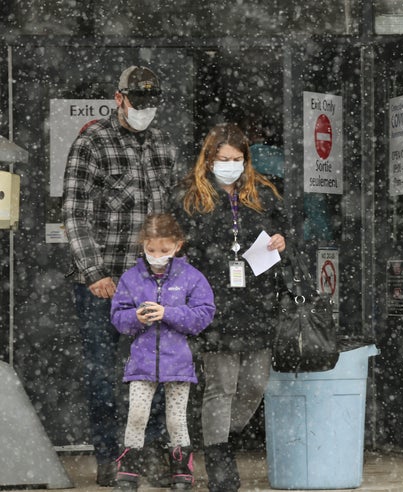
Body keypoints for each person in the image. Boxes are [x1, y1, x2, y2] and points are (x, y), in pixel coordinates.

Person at [62, 65, 177, 486]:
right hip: (105, 283)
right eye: (138, 99)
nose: (145, 109)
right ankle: (109, 455)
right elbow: (74, 212)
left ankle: (153, 455)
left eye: (152, 100)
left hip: (154, 282)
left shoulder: (164, 144)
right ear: (119, 98)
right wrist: (94, 272)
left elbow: (173, 213)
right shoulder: (92, 142)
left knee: (160, 370)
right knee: (104, 373)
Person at [176, 122, 286, 492]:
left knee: (255, 383)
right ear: (209, 159)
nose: (231, 165)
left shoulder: (263, 193)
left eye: (237, 159)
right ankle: (219, 455)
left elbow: (285, 234)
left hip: (256, 299)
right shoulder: (192, 198)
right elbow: (180, 248)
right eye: (224, 159)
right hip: (212, 301)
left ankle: (223, 436)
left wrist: (280, 242)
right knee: (221, 385)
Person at [110, 213, 215, 491]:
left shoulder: (191, 277)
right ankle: (128, 467)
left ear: (178, 245)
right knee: (137, 414)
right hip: (142, 362)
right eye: (151, 249)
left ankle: (181, 468)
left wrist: (169, 313)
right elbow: (118, 317)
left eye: (164, 250)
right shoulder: (131, 278)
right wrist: (136, 317)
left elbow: (204, 314)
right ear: (142, 244)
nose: (157, 256)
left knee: (176, 418)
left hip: (179, 361)